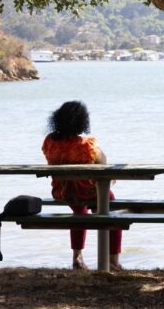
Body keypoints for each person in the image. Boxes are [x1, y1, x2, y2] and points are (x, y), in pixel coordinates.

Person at [41, 101, 123, 271]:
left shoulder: (50, 142)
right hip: (87, 192)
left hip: (62, 191)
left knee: (79, 210)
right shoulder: (87, 144)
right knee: (112, 206)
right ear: (82, 121)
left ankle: (77, 257)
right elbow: (104, 165)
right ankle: (113, 260)